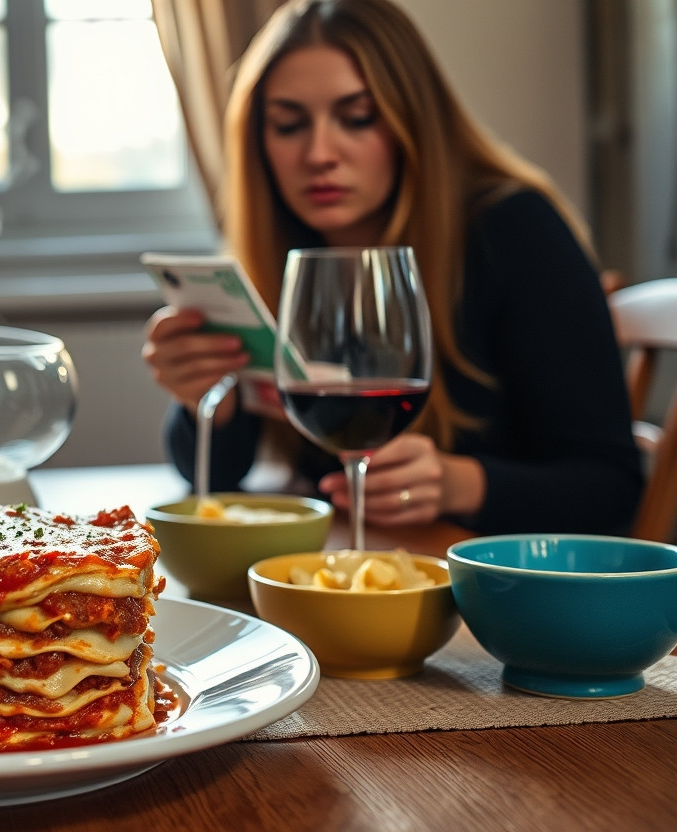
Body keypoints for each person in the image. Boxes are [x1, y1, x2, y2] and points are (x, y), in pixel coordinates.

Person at [142, 0, 642, 535]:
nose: (319, 153)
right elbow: (214, 479)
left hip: (488, 578)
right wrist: (205, 402)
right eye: (288, 125)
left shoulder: (515, 230)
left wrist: (458, 484)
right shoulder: (281, 255)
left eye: (357, 118)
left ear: (414, 120)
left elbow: (611, 488)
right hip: (360, 559)